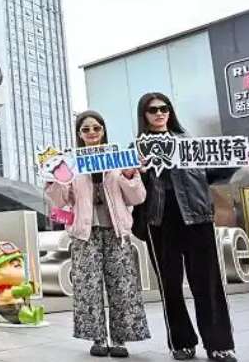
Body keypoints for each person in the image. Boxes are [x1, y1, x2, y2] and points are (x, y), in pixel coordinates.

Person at [133, 92, 237, 362]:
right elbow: (132, 191)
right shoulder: (136, 150)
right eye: (153, 109)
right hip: (159, 220)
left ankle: (219, 344)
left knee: (208, 283)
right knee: (170, 286)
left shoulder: (189, 142)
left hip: (197, 218)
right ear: (144, 115)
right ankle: (181, 342)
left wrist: (234, 160)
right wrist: (135, 173)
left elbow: (211, 174)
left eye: (164, 108)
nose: (159, 113)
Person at [46, 110, 150, 358]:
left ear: (103, 131)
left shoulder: (118, 159)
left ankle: (120, 340)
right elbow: (59, 202)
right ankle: (98, 338)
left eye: (96, 128)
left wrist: (129, 174)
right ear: (79, 134)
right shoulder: (70, 163)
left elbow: (137, 197)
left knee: (122, 286)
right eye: (86, 129)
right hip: (84, 233)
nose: (92, 133)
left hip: (117, 231)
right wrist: (57, 179)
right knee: (88, 287)